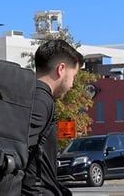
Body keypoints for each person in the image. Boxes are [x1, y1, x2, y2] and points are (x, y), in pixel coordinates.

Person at [22, 39, 84, 196]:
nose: (72, 85)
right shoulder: (41, 101)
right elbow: (20, 148)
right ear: (61, 69)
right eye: (73, 76)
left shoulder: (29, 95)